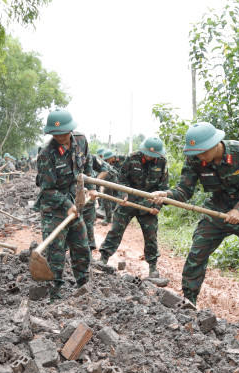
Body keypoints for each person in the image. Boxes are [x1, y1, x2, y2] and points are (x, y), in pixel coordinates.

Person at [150, 122, 239, 316]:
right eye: (197, 153)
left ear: (215, 143)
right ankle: (189, 303)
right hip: (216, 210)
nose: (200, 156)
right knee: (196, 255)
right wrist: (166, 195)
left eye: (203, 152)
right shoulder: (194, 159)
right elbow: (184, 190)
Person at [35, 108, 93, 299]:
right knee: (56, 252)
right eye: (55, 134)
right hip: (53, 208)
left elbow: (87, 165)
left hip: (74, 203)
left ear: (70, 129)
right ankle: (54, 294)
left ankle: (84, 287)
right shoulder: (46, 154)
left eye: (63, 133)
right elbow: (47, 189)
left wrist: (91, 187)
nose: (59, 137)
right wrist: (67, 204)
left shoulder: (81, 141)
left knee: (81, 246)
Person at [98, 137, 168, 276]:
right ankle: (103, 259)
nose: (149, 157)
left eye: (153, 155)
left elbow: (163, 187)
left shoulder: (162, 162)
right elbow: (121, 179)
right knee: (115, 230)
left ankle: (153, 268)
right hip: (128, 202)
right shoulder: (132, 158)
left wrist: (157, 206)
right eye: (147, 154)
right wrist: (123, 194)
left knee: (151, 236)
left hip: (148, 205)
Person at [99, 149, 122, 225]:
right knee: (107, 198)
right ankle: (108, 217)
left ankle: (117, 218)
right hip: (111, 179)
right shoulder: (106, 162)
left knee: (119, 198)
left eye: (107, 159)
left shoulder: (123, 159)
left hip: (121, 182)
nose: (106, 160)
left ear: (112, 157)